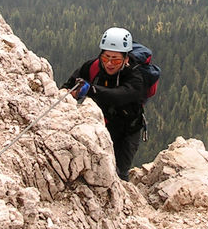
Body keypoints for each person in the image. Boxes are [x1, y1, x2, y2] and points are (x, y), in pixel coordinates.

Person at [61, 27, 145, 180]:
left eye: (116, 59)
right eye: (106, 57)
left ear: (126, 59)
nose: (109, 63)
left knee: (119, 174)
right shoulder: (92, 67)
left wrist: (90, 90)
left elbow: (120, 96)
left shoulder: (135, 76)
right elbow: (68, 86)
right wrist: (71, 93)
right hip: (101, 126)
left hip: (127, 132)